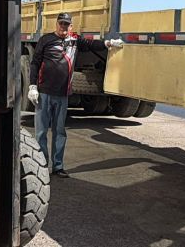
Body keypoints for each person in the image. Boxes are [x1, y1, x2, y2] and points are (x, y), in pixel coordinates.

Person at [28, 12, 123, 178]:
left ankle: (58, 167)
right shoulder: (45, 39)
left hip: (62, 95)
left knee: (59, 132)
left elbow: (92, 44)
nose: (63, 27)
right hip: (44, 93)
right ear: (56, 24)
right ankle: (41, 166)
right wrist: (32, 86)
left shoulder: (75, 40)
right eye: (61, 23)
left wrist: (109, 43)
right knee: (41, 132)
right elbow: (35, 63)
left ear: (71, 26)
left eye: (66, 24)